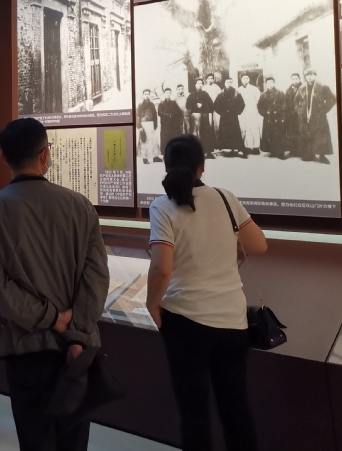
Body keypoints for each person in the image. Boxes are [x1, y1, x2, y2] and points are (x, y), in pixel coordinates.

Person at [0, 118, 109, 451]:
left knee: (34, 438)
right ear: (45, 154)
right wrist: (75, 331)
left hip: (24, 346)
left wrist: (50, 319)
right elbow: (96, 276)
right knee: (74, 439)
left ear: (3, 157)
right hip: (76, 349)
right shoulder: (80, 206)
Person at [146, 134, 267, 451]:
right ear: (203, 166)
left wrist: (152, 304)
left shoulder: (162, 206)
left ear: (167, 166)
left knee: (194, 413)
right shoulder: (226, 198)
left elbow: (162, 268)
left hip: (184, 321)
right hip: (232, 321)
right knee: (236, 409)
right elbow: (258, 244)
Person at [295, 69, 336, 164]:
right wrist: (299, 110)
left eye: (311, 75)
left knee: (321, 135)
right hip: (305, 116)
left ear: (315, 75)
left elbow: (333, 99)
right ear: (305, 77)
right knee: (307, 134)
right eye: (307, 75)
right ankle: (309, 154)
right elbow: (296, 100)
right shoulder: (301, 88)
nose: (309, 77)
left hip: (319, 116)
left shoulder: (322, 87)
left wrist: (324, 109)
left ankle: (322, 155)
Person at [213, 78, 247, 158]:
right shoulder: (221, 94)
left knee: (235, 132)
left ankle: (238, 149)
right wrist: (222, 112)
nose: (229, 83)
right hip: (224, 117)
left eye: (230, 82)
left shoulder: (237, 93)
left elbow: (242, 104)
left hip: (233, 116)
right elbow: (215, 105)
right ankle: (227, 150)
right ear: (225, 84)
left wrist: (237, 112)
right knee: (225, 132)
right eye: (227, 82)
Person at [257, 77, 287, 159]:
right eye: (268, 83)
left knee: (279, 134)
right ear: (266, 84)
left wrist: (283, 116)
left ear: (274, 83)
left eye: (271, 83)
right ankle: (273, 151)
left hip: (278, 117)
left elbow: (284, 105)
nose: (270, 84)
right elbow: (259, 106)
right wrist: (265, 113)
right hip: (268, 117)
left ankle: (280, 152)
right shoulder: (263, 95)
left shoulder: (280, 93)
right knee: (270, 134)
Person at [185, 79, 214, 158]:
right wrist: (195, 106)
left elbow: (211, 105)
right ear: (195, 85)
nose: (199, 84)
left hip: (204, 116)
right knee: (196, 134)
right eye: (198, 83)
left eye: (201, 83)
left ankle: (208, 152)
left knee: (206, 133)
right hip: (195, 117)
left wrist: (203, 105)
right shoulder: (192, 95)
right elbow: (188, 105)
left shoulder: (205, 94)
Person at [237, 74, 262, 154]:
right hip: (243, 112)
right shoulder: (238, 90)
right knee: (245, 128)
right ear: (241, 80)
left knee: (254, 128)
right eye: (243, 78)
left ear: (249, 79)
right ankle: (248, 147)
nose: (245, 80)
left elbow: (259, 100)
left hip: (253, 111)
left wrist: (256, 109)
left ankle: (256, 147)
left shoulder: (254, 89)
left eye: (247, 78)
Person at [157, 88, 184, 157]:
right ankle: (165, 154)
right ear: (164, 94)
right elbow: (159, 112)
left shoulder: (174, 103)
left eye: (169, 92)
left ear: (171, 94)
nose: (168, 94)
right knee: (164, 139)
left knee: (173, 139)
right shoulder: (161, 104)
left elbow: (179, 112)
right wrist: (166, 115)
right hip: (165, 125)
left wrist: (173, 115)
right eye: (166, 93)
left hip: (173, 125)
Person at [137, 89, 160, 163]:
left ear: (150, 95)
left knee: (153, 140)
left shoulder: (152, 104)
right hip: (143, 125)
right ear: (143, 95)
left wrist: (155, 124)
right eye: (145, 94)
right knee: (144, 141)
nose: (147, 95)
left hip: (151, 124)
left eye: (148, 94)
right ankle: (145, 158)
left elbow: (155, 115)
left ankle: (155, 157)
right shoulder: (140, 105)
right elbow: (137, 116)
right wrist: (139, 127)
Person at [284, 73, 303, 158]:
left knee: (301, 132)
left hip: (301, 114)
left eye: (296, 78)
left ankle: (301, 151)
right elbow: (286, 103)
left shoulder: (303, 88)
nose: (295, 80)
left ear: (299, 79)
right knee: (292, 132)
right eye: (293, 79)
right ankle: (293, 150)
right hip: (291, 115)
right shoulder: (288, 90)